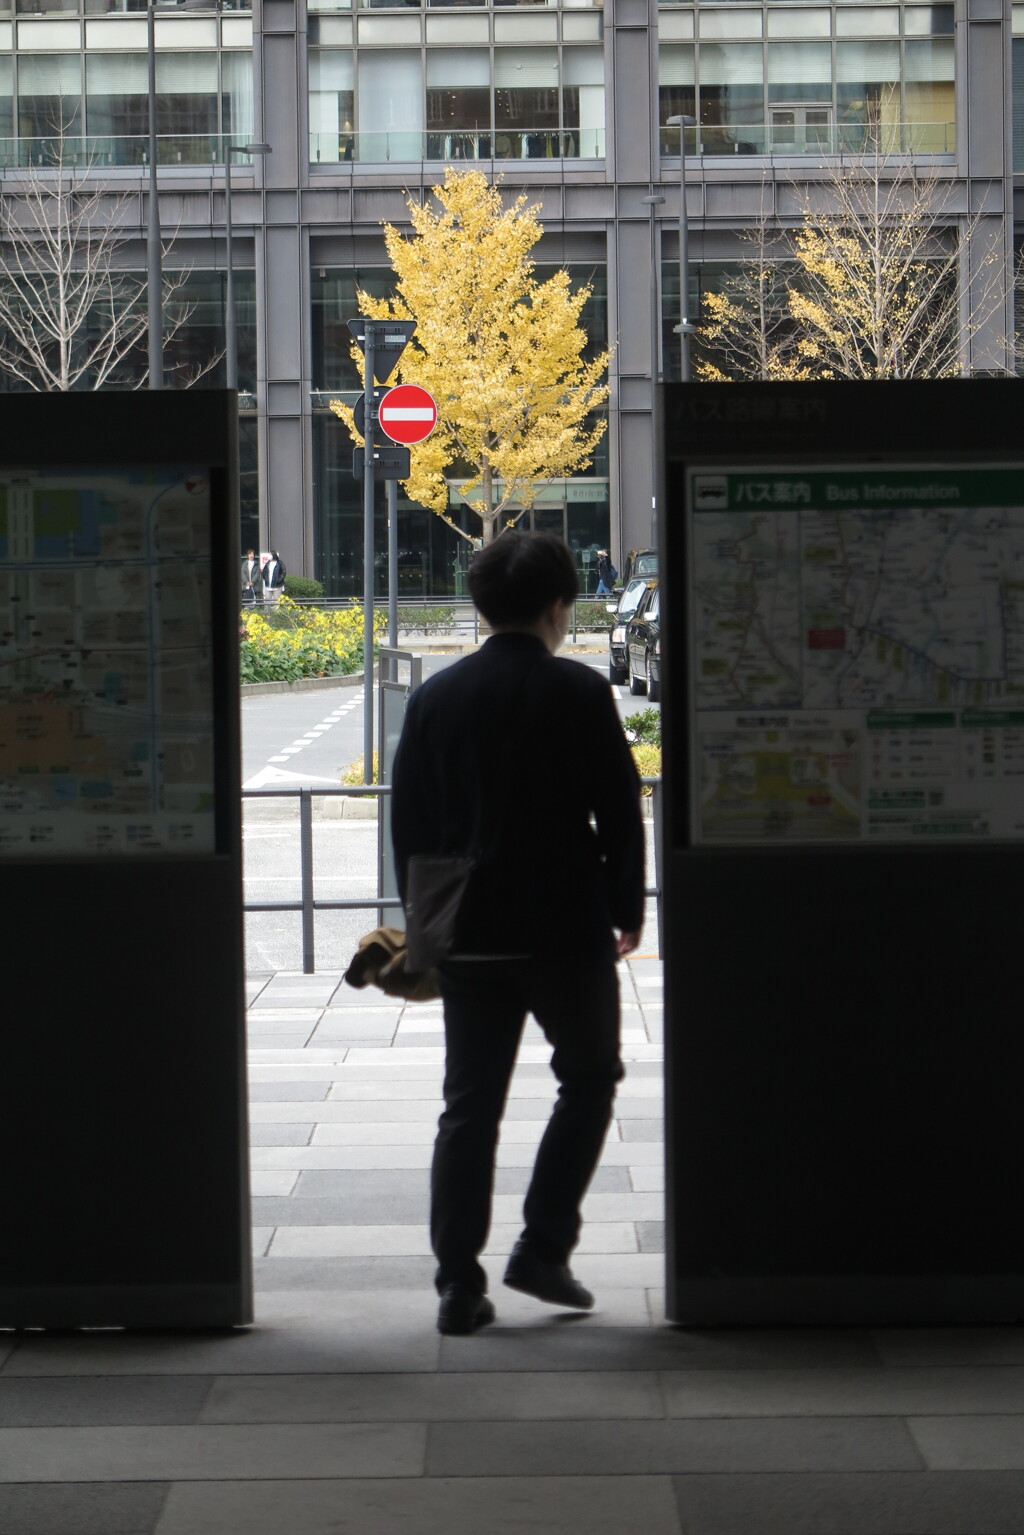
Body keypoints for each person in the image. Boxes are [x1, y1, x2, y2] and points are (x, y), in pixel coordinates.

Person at [391, 531, 646, 1336]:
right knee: (589, 1077)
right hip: (565, 930)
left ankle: (457, 1286)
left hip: (469, 933)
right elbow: (619, 807)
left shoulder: (437, 696)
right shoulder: (578, 691)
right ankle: (542, 1246)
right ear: (557, 605)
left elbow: (410, 824)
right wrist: (627, 910)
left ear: (479, 604)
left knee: (468, 1107)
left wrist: (425, 923)